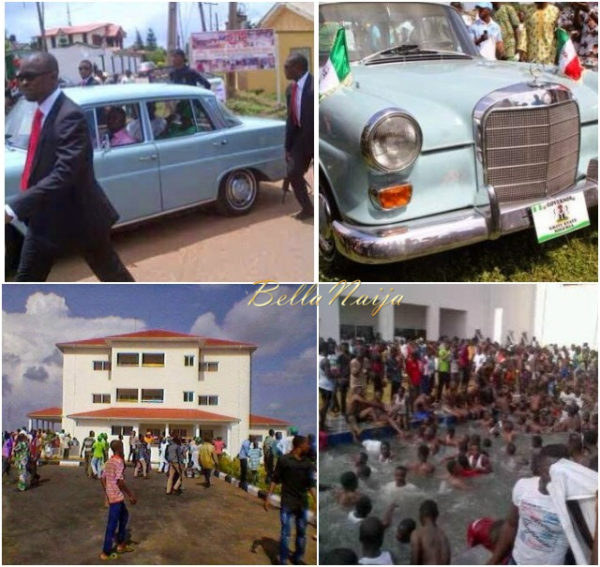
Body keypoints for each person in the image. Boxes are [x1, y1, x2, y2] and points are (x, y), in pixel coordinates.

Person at [5, 53, 134, 282]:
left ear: (53, 77)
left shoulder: (69, 115)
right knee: (25, 279)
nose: (23, 83)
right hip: (44, 218)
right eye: (20, 77)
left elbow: (66, 172)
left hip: (79, 217)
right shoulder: (39, 112)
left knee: (113, 276)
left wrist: (15, 207)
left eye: (30, 77)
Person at [487, 444, 571, 565]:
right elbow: (511, 525)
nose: (554, 476)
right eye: (549, 470)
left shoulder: (572, 501)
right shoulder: (523, 486)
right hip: (517, 561)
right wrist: (493, 561)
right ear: (539, 467)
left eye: (559, 471)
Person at [265, 435, 316, 566]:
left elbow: (310, 484)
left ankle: (298, 558)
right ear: (300, 446)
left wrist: (316, 499)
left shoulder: (307, 463)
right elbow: (275, 479)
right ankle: (282, 561)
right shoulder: (284, 460)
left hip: (302, 503)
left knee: (301, 533)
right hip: (287, 502)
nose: (308, 446)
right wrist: (268, 497)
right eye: (306, 444)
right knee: (286, 533)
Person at [283, 53, 314, 221]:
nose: (284, 71)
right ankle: (308, 208)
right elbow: (290, 118)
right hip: (300, 138)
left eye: (287, 67)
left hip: (317, 137)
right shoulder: (290, 89)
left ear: (298, 68)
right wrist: (287, 147)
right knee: (293, 173)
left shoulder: (315, 87)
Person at [99, 440, 136, 560]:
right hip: (116, 497)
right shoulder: (119, 462)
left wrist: (107, 490)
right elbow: (120, 482)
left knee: (124, 516)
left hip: (112, 495)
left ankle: (120, 543)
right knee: (112, 523)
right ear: (119, 449)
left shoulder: (109, 461)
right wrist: (130, 495)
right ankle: (106, 551)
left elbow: (102, 478)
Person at [410, 500, 451, 565]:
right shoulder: (443, 535)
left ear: (420, 516)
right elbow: (447, 561)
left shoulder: (417, 534)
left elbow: (414, 561)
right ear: (436, 515)